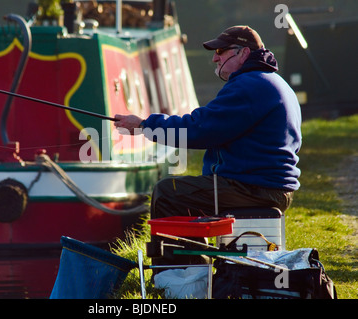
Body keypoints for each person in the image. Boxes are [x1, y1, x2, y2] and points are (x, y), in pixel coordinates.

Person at [114, 25, 302, 266]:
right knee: (185, 190)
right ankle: (196, 265)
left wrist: (143, 125)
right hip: (268, 186)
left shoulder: (249, 85)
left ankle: (178, 275)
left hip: (255, 188)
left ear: (243, 53)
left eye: (221, 51)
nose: (215, 57)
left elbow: (199, 128)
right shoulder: (271, 82)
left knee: (167, 192)